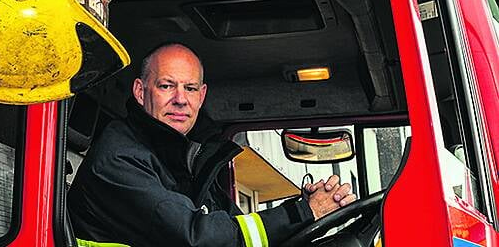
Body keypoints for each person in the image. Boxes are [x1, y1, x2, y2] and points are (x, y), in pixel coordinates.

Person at [68, 43, 356, 247]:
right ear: (141, 92)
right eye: (167, 86)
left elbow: (238, 230)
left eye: (190, 88)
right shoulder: (120, 156)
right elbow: (195, 238)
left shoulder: (188, 156)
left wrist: (302, 210)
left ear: (202, 96)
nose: (181, 99)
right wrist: (304, 213)